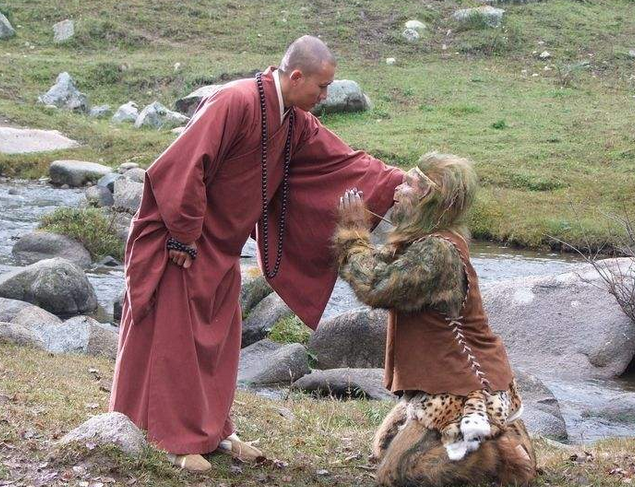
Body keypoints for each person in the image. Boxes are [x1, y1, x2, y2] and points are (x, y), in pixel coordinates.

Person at [109, 35, 403, 472]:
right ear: (296, 75)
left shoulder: (294, 120)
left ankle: (212, 430)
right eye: (321, 88)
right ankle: (171, 438)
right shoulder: (234, 101)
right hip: (181, 239)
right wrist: (183, 235)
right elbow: (183, 165)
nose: (325, 97)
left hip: (221, 245)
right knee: (175, 341)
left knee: (219, 341)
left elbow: (341, 160)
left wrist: (396, 182)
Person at [333, 153, 536, 486]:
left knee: (395, 475)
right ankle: (493, 453)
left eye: (412, 183)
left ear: (432, 199)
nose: (401, 187)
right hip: (453, 381)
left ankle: (491, 456)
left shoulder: (438, 251)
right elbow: (376, 263)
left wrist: (353, 233)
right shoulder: (423, 242)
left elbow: (374, 285)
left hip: (460, 388)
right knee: (387, 446)